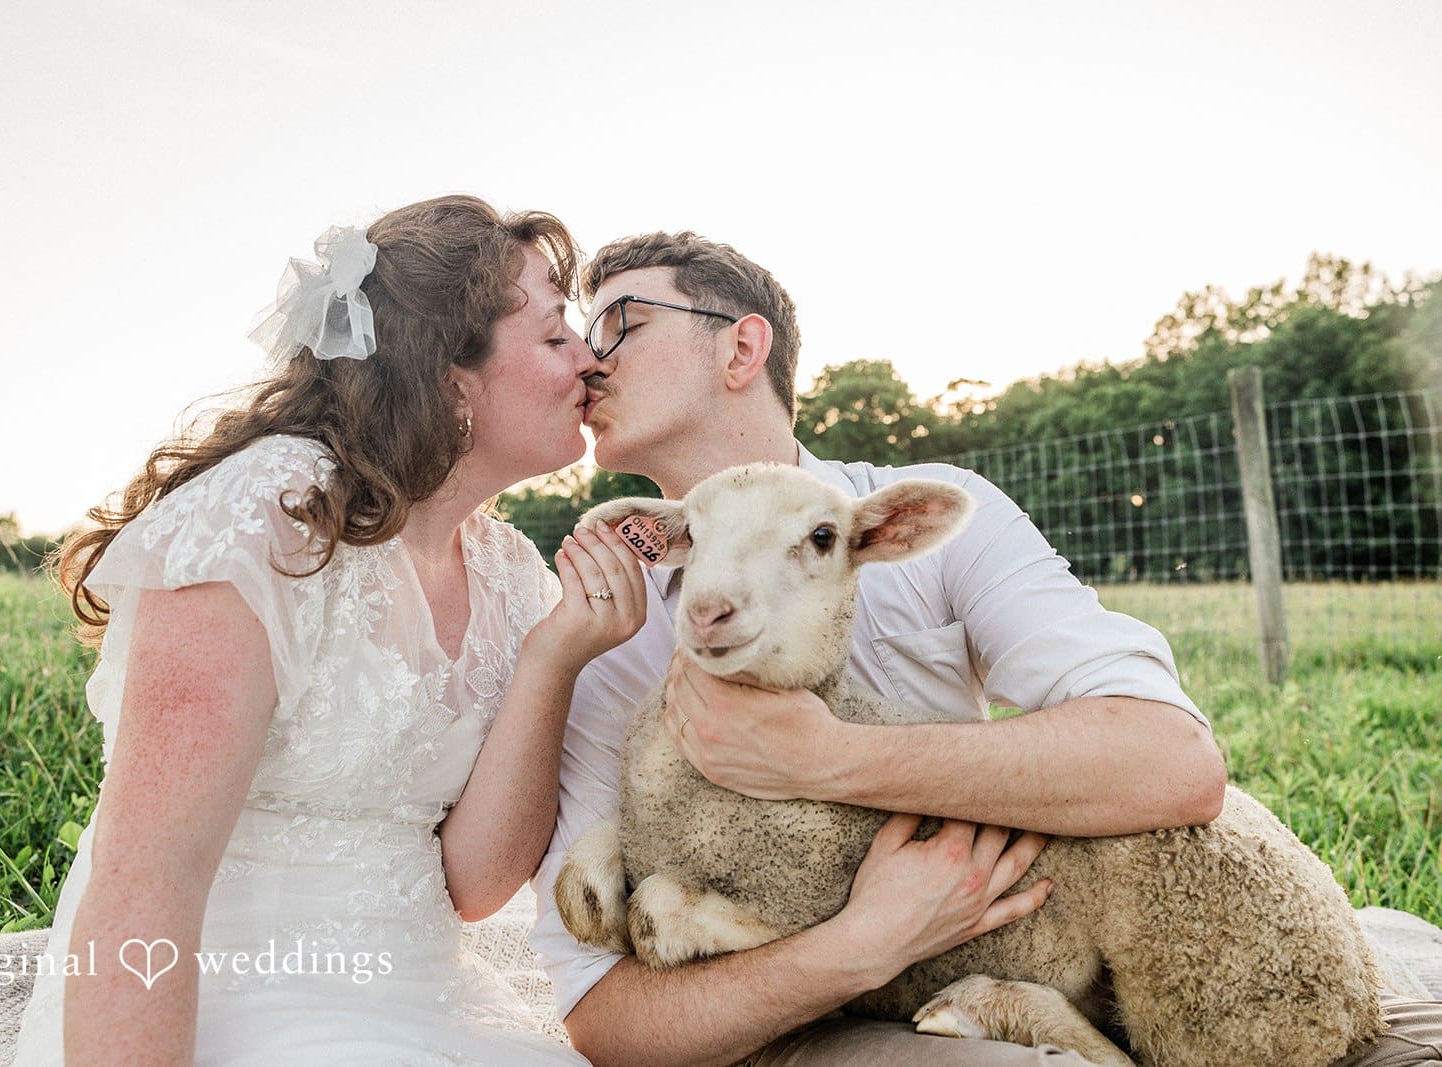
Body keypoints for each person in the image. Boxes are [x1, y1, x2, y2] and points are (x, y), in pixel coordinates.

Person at [529, 231, 1442, 1066]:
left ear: (741, 347)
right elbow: (604, 1015)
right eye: (573, 332)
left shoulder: (935, 514)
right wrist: (862, 945)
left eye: (618, 322)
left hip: (1042, 939)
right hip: (812, 1014)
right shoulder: (609, 627)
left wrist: (832, 759)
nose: (585, 360)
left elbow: (1172, 760)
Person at [11, 195, 647, 1065]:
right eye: (553, 336)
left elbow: (474, 884)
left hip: (422, 1001)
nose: (590, 360)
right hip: (229, 997)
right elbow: (145, 876)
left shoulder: (509, 574)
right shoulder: (264, 518)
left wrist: (552, 660)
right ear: (449, 377)